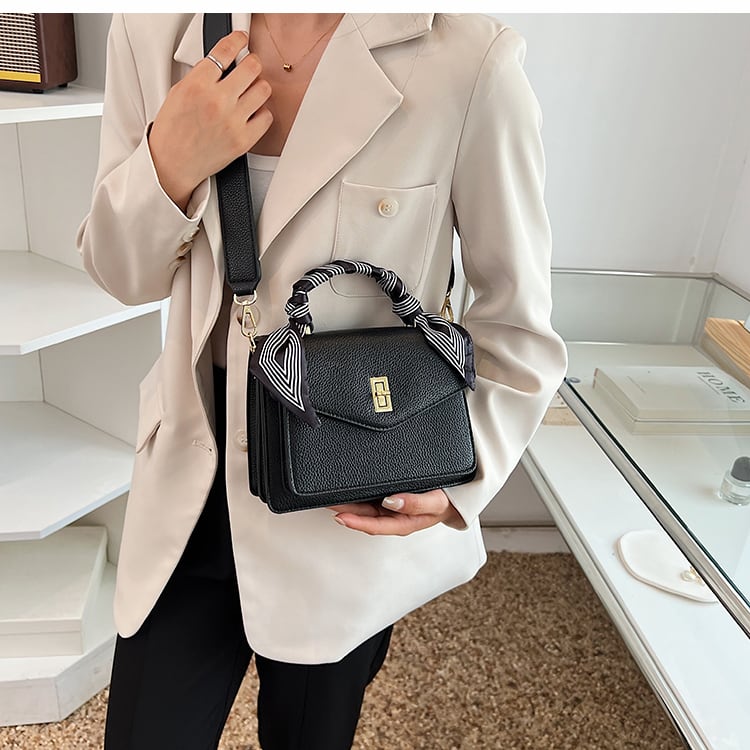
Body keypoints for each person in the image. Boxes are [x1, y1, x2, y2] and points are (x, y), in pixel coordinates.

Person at [77, 12, 568, 750]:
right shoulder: (151, 30)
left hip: (345, 496)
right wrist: (168, 163)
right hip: (186, 479)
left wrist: (459, 476)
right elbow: (121, 275)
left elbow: (518, 327)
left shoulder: (469, 61)